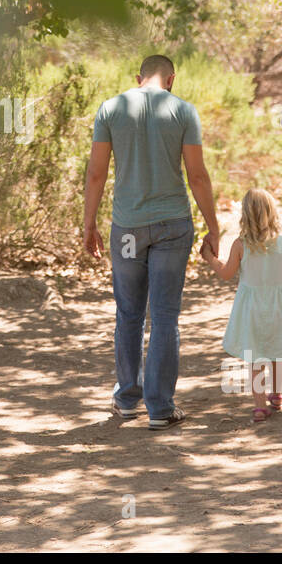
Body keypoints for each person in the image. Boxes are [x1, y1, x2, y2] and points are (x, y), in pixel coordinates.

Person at [84, 54, 219, 430]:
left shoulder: (110, 108)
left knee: (128, 313)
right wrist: (214, 226)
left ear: (138, 77)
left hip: (127, 229)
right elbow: (197, 176)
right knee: (164, 316)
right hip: (172, 226)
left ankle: (128, 398)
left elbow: (96, 174)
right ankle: (159, 408)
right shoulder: (183, 111)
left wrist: (89, 223)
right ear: (171, 79)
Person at [202, 189, 282, 423]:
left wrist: (209, 258)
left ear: (244, 215)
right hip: (277, 305)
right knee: (276, 353)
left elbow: (226, 274)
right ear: (271, 213)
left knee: (255, 357)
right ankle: (275, 394)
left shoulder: (240, 245)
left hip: (252, 308)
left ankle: (259, 406)